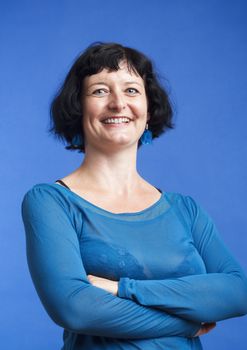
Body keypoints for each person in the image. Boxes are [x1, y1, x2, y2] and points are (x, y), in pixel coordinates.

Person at [21, 42, 247, 350]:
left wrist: (123, 289)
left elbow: (237, 291)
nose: (117, 104)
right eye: (100, 91)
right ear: (78, 107)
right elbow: (75, 308)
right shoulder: (51, 202)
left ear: (149, 109)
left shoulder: (185, 209)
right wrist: (189, 321)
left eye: (131, 90)